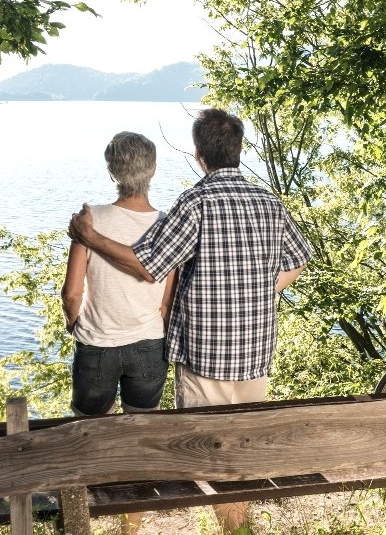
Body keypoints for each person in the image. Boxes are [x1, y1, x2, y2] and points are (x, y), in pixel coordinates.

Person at [67, 108, 312, 534]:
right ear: (239, 148)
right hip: (254, 349)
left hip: (205, 350)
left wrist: (90, 237)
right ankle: (239, 527)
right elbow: (300, 259)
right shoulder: (269, 202)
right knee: (244, 447)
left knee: (208, 451)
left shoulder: (195, 203)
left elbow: (148, 266)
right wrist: (260, 291)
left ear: (198, 153)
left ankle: (231, 529)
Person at [60, 131, 177, 535]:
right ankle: (131, 526)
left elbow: (72, 293)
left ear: (112, 169)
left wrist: (76, 323)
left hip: (97, 346)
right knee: (139, 438)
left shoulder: (90, 219)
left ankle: (88, 520)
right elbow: (167, 297)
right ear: (153, 170)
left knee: (88, 436)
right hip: (149, 345)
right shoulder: (166, 225)